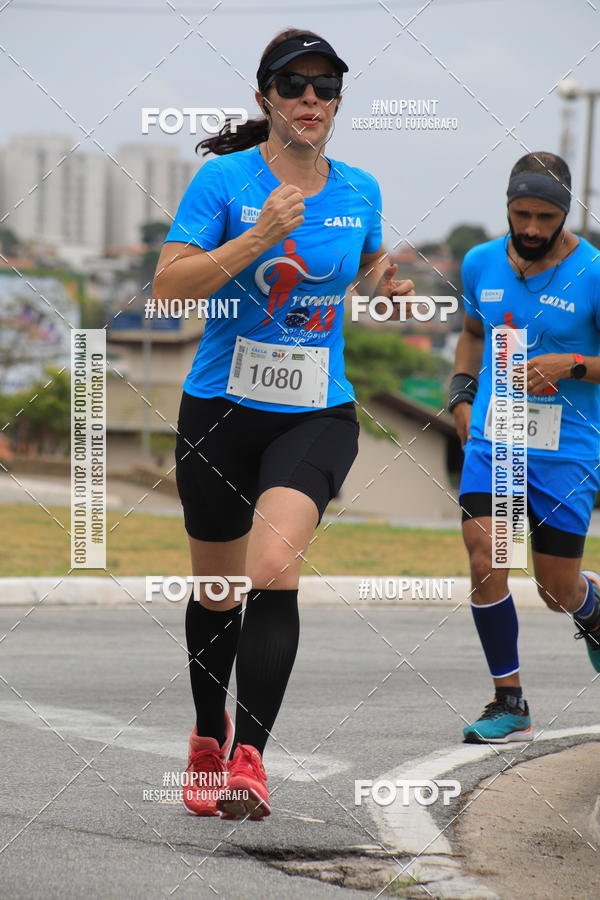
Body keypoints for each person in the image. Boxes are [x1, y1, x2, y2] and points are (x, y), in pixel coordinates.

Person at [153, 28, 414, 818]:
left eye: (325, 86)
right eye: (293, 85)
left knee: (272, 569)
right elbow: (168, 290)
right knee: (221, 590)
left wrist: (384, 286)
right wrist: (259, 237)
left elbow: (362, 263)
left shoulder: (360, 188)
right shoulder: (223, 181)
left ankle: (250, 761)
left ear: (338, 100)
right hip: (219, 412)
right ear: (264, 95)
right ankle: (207, 733)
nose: (310, 99)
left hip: (316, 412)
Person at [449, 151, 600, 744]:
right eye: (521, 214)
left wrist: (575, 364)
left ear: (564, 213)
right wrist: (461, 397)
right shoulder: (480, 262)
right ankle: (507, 699)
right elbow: (469, 333)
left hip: (567, 450)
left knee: (555, 590)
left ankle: (590, 609)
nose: (532, 229)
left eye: (545, 217)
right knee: (487, 555)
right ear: (507, 208)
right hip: (496, 437)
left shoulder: (593, 272)